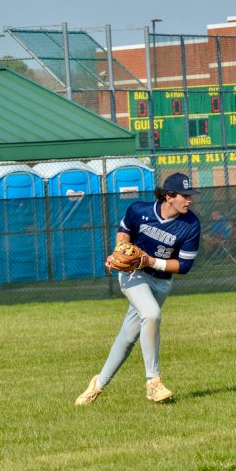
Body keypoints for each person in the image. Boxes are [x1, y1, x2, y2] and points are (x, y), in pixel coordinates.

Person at [75, 172, 201, 405]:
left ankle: (97, 385)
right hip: (133, 274)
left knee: (128, 336)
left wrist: (151, 261)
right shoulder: (139, 210)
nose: (190, 200)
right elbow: (124, 231)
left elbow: (184, 266)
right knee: (151, 314)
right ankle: (153, 382)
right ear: (169, 196)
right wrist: (120, 251)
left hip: (161, 281)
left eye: (190, 195)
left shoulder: (191, 224)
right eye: (185, 196)